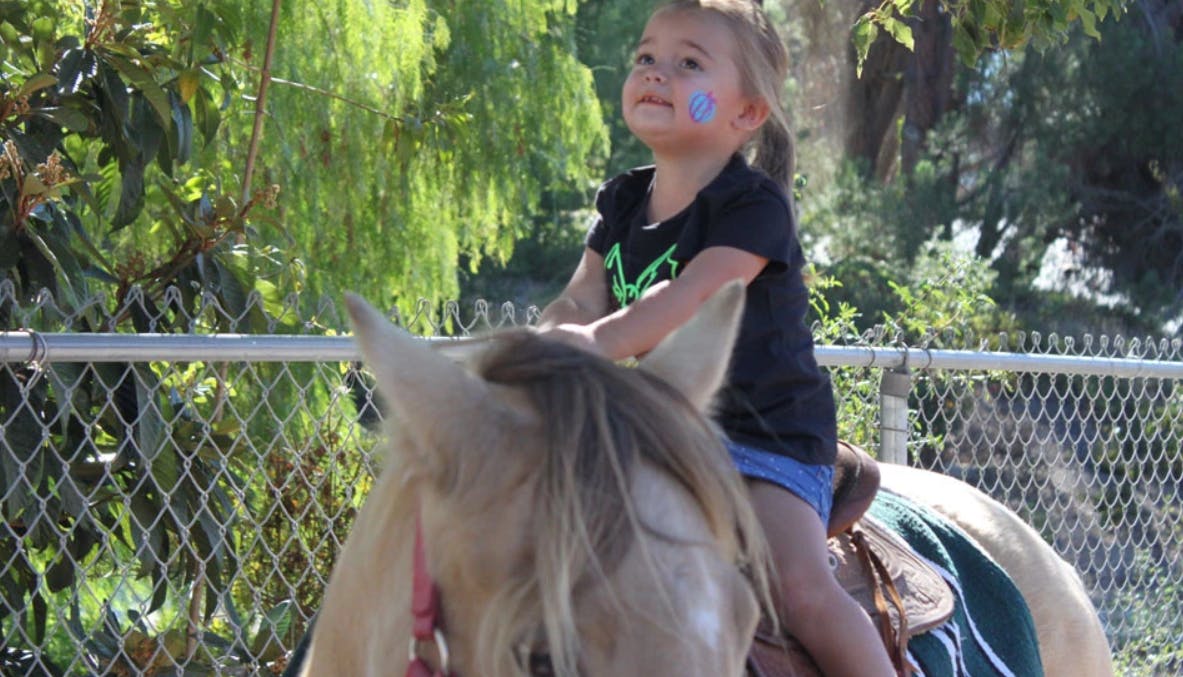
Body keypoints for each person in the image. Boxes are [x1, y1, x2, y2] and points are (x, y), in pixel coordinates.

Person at [537, 1, 896, 675]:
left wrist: (589, 345)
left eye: (689, 64)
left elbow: (684, 301)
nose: (655, 72)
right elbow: (583, 293)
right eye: (646, 57)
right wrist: (545, 340)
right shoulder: (620, 200)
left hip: (766, 439)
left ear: (747, 113)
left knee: (796, 588)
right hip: (661, 427)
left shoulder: (751, 206)